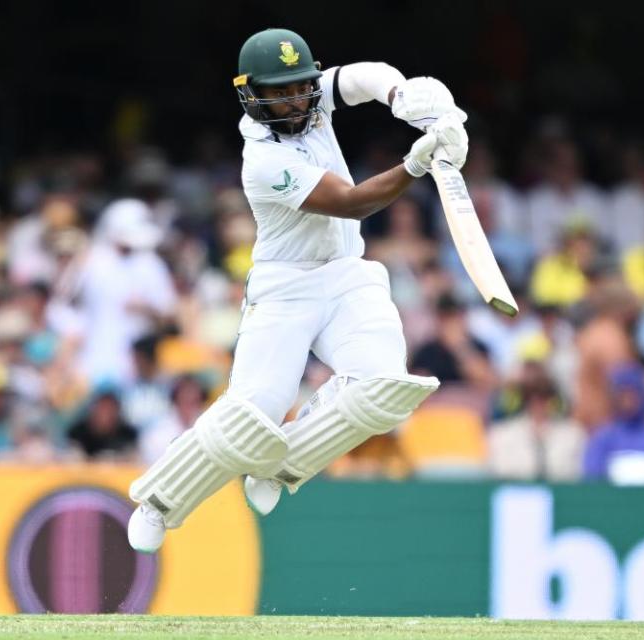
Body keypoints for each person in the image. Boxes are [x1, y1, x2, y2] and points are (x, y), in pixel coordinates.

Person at [127, 28, 469, 552]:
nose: (293, 99)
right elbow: (352, 202)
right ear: (252, 94)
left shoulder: (311, 100)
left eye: (299, 87)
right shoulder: (262, 160)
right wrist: (417, 163)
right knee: (252, 414)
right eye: (279, 92)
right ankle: (160, 500)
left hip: (348, 272)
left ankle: (284, 468)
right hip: (284, 287)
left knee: (384, 389)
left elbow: (362, 77)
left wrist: (408, 100)